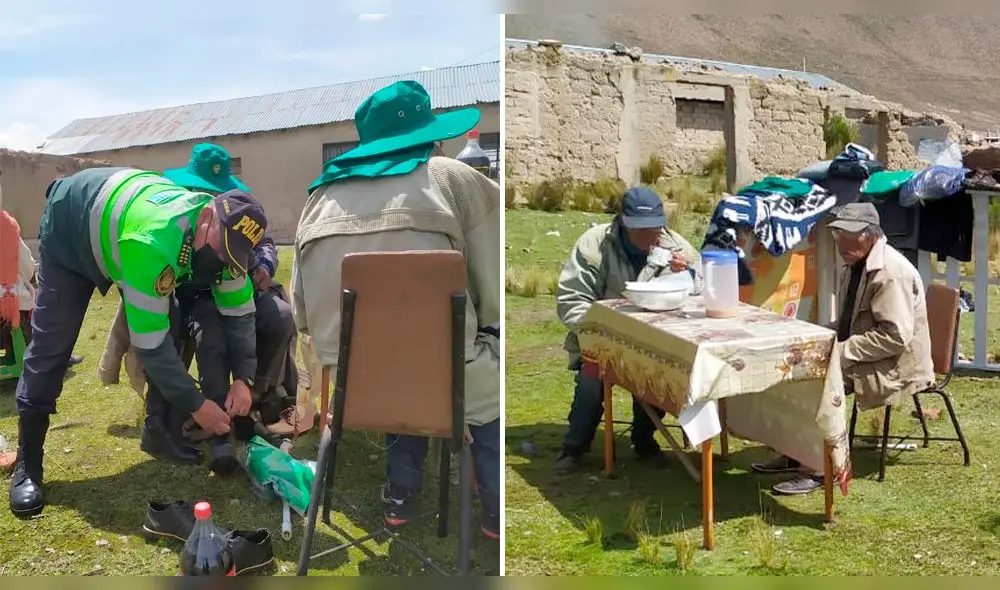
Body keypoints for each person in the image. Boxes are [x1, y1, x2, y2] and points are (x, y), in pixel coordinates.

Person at [292, 80, 501, 539]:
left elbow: (301, 313)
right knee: (475, 369)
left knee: (392, 364)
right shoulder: (453, 179)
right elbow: (493, 296)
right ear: (430, 138)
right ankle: (495, 512)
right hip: (446, 381)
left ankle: (400, 498)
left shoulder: (317, 201)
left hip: (355, 388)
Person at [8, 167, 266, 517]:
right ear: (206, 217)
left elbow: (240, 314)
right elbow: (150, 343)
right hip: (72, 225)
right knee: (52, 346)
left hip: (121, 222)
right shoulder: (154, 241)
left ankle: (158, 430)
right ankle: (29, 464)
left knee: (170, 320)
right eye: (222, 250)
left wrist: (244, 379)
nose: (224, 262)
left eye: (234, 256)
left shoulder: (228, 249)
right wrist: (196, 404)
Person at [96, 144, 301, 437]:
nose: (210, 196)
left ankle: (255, 396)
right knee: (210, 327)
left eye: (218, 190)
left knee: (279, 315)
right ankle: (206, 407)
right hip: (186, 291)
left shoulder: (240, 208)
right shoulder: (171, 215)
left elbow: (262, 242)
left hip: (234, 282)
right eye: (204, 190)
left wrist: (264, 266)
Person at [754, 202, 934, 495]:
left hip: (894, 365)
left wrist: (838, 352)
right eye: (839, 235)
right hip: (867, 354)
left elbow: (894, 337)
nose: (842, 244)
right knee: (790, 370)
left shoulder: (890, 273)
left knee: (817, 381)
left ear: (872, 235)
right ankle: (795, 451)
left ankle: (818, 467)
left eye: (851, 236)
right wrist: (815, 336)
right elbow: (850, 321)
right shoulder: (855, 263)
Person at [553, 186, 704, 474]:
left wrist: (689, 276)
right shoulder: (594, 245)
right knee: (591, 381)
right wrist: (603, 331)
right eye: (641, 230)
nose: (649, 237)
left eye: (654, 229)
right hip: (601, 338)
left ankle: (644, 441)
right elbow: (571, 300)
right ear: (623, 223)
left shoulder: (676, 247)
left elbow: (701, 293)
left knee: (661, 373)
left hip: (654, 341)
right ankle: (574, 447)